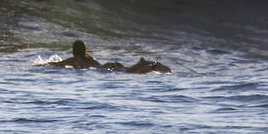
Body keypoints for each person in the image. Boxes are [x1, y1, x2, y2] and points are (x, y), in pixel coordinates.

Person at [41, 40, 172, 74]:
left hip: (105, 69)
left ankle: (147, 65)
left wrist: (41, 65)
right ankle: (149, 65)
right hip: (108, 65)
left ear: (74, 50)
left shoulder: (75, 59)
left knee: (129, 72)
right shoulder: (89, 58)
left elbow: (58, 64)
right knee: (127, 70)